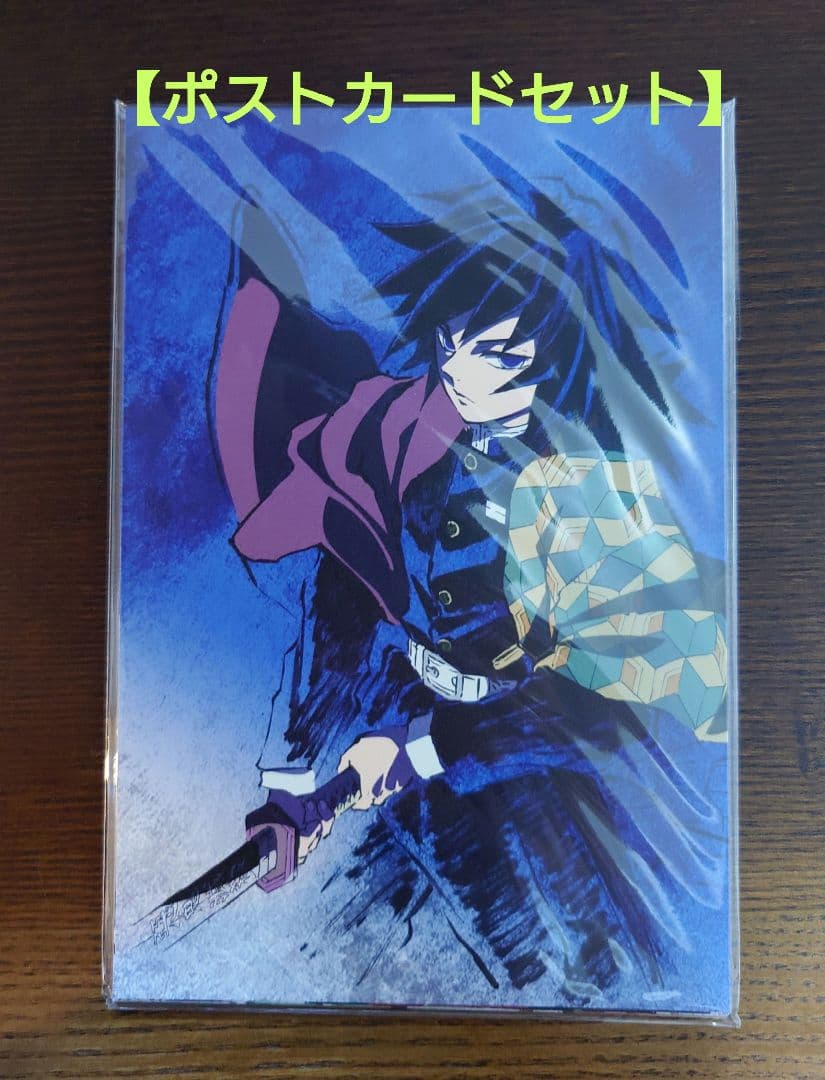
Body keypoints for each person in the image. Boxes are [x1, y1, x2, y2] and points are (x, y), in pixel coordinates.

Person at [213, 168, 728, 1002]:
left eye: (524, 352)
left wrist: (425, 746)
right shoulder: (390, 435)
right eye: (478, 346)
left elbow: (602, 698)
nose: (501, 372)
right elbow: (347, 590)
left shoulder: (592, 492)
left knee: (594, 970)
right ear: (442, 336)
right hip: (411, 757)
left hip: (543, 779)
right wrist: (298, 779)